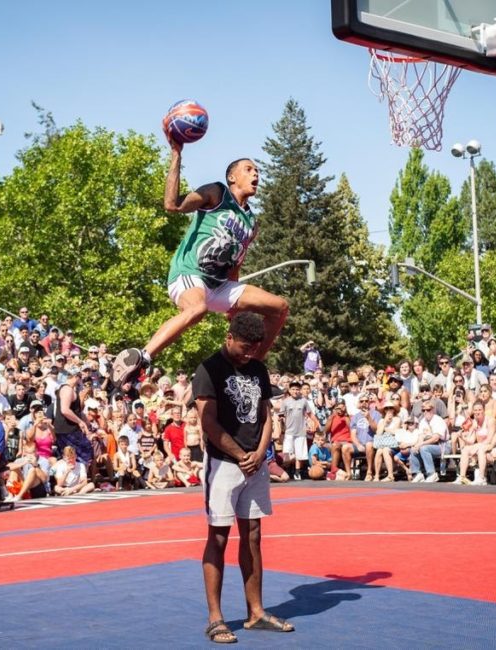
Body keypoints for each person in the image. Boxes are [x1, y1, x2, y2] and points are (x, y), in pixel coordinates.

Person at [110, 140, 289, 386]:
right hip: (190, 273)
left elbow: (236, 263)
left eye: (257, 170)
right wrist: (176, 154)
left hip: (219, 285)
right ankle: (143, 356)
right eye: (248, 169)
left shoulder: (251, 223)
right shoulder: (217, 193)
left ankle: (250, 370)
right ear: (232, 177)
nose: (255, 173)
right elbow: (172, 205)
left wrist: (232, 305)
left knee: (279, 307)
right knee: (198, 308)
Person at [193, 312, 293, 643]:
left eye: (255, 348)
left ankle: (256, 613)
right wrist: (239, 455)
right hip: (223, 464)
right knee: (218, 537)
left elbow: (266, 416)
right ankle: (216, 617)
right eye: (245, 347)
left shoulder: (258, 369)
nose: (250, 353)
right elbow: (208, 422)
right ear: (229, 338)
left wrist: (260, 453)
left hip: (255, 463)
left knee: (253, 535)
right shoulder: (210, 369)